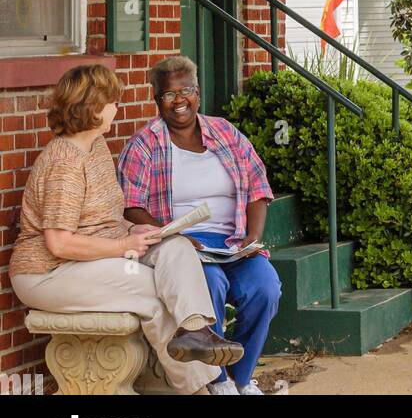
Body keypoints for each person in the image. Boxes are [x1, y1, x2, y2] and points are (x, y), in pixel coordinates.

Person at [10, 64, 242, 395]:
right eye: (112, 101)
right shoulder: (65, 162)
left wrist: (138, 231)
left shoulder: (96, 147)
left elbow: (103, 219)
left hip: (93, 257)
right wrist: (123, 247)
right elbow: (58, 243)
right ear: (92, 108)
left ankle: (196, 331)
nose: (117, 108)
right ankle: (200, 389)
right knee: (153, 290)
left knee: (177, 248)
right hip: (48, 273)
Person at [118, 55, 282, 397]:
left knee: (265, 289)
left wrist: (253, 236)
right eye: (168, 94)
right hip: (184, 245)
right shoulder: (145, 144)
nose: (179, 100)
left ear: (198, 92)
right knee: (211, 286)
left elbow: (257, 185)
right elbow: (131, 205)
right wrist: (172, 233)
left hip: (233, 239)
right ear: (157, 100)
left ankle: (241, 378)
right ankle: (217, 380)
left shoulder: (225, 132)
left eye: (186, 90)